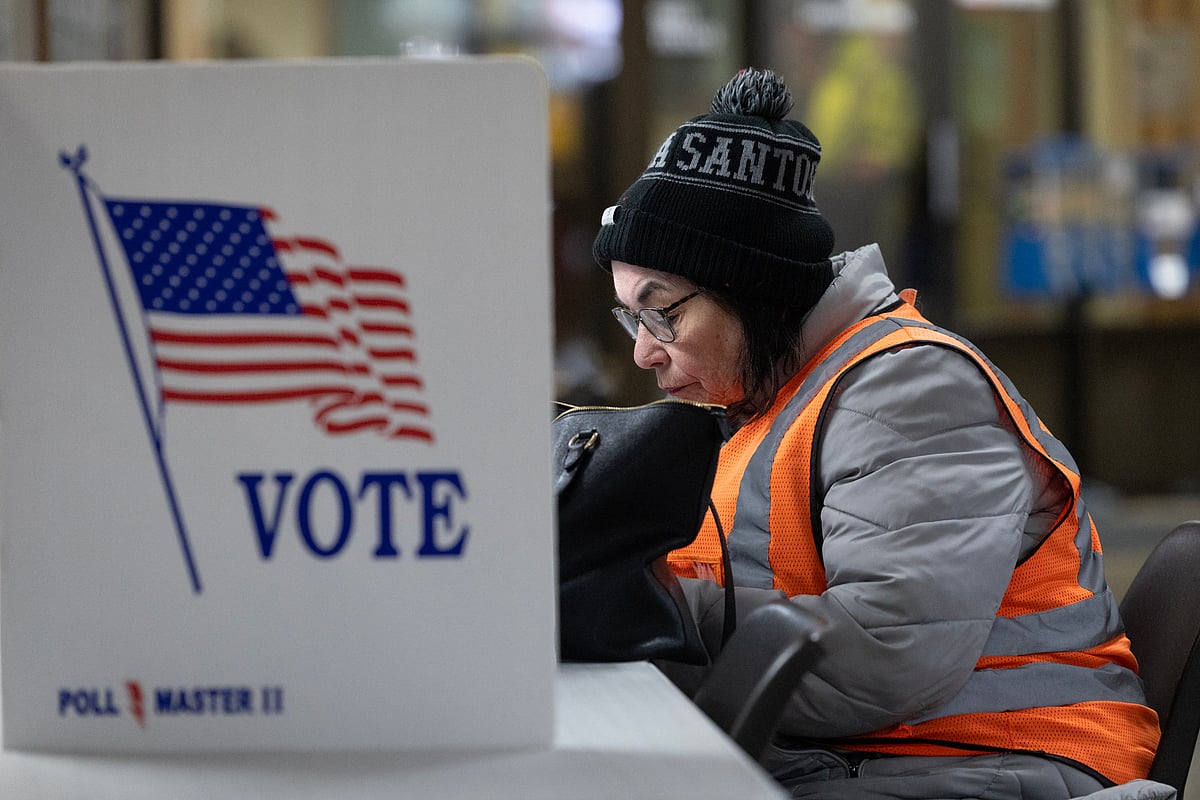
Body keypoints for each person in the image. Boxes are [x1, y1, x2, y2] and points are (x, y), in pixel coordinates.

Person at [591, 68, 1170, 800]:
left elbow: (882, 656)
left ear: (753, 291)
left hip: (1011, 753)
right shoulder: (766, 395)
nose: (644, 349)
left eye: (662, 312)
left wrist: (645, 608)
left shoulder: (909, 391)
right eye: (628, 317)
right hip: (871, 752)